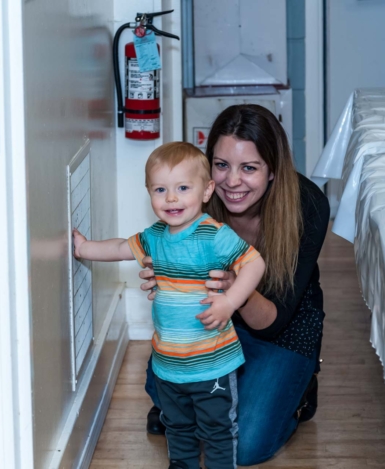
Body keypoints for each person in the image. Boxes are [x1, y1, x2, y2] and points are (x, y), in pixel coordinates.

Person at [141, 105, 330, 466]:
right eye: (221, 164)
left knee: (244, 446)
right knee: (163, 384)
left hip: (281, 328)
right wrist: (162, 276)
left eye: (249, 168)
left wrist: (234, 287)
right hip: (215, 323)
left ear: (273, 169)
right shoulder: (195, 192)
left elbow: (272, 322)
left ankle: (299, 393)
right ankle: (208, 406)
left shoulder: (309, 206)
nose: (231, 181)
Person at [73, 141, 265, 469]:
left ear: (206, 191)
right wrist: (84, 248)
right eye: (160, 189)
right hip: (168, 364)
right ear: (149, 193)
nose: (171, 198)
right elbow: (121, 247)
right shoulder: (155, 236)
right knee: (177, 428)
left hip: (212, 364)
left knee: (217, 430)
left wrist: (230, 302)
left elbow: (254, 263)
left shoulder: (213, 235)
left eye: (182, 188)